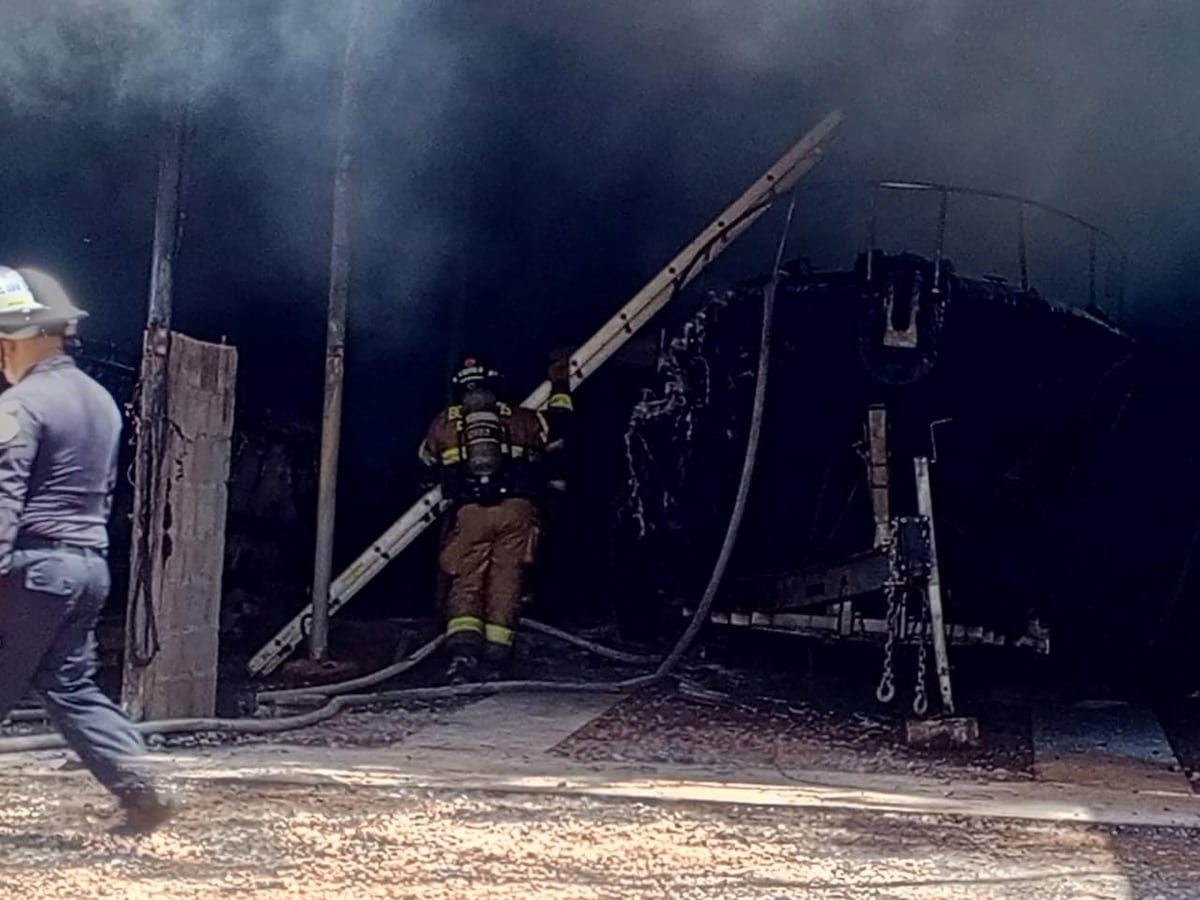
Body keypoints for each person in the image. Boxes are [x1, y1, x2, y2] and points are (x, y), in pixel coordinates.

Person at [0, 266, 177, 834]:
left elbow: (5, 493)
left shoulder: (21, 405)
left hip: (34, 567)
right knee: (69, 686)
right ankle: (146, 787)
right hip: (87, 568)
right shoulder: (98, 399)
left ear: (14, 338)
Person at [419, 354, 573, 681]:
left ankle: (463, 655)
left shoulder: (444, 421)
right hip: (517, 512)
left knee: (466, 580)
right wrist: (561, 383)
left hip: (470, 513)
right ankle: (496, 659)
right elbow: (560, 425)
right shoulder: (522, 418)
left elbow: (426, 460)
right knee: (507, 580)